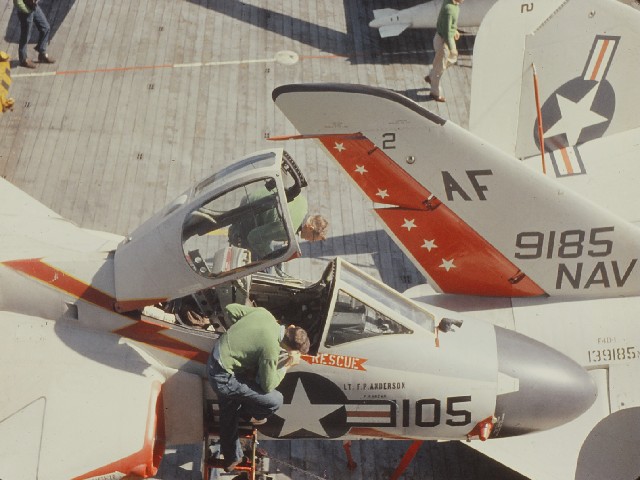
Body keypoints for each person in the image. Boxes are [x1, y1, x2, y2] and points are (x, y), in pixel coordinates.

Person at [207, 303, 310, 472]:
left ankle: (232, 457)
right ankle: (248, 414)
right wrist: (288, 365)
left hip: (216, 359)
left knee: (229, 408)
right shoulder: (270, 349)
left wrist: (241, 335)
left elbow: (230, 309)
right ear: (288, 348)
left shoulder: (264, 314)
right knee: (275, 400)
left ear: (290, 327)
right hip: (223, 378)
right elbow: (267, 385)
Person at [229, 184, 329, 259]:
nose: (310, 241)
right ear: (310, 228)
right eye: (313, 239)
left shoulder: (303, 201)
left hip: (251, 199)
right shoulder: (288, 231)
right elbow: (254, 237)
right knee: (265, 262)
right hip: (247, 216)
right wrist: (271, 256)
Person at [424, 0, 464, 102]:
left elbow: (447, 24)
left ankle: (431, 76)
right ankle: (435, 93)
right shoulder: (449, 9)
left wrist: (454, 30)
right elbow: (446, 32)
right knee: (439, 70)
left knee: (444, 62)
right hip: (444, 42)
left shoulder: (453, 5)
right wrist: (452, 48)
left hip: (443, 39)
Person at [14, 0, 55, 69]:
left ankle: (42, 53)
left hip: (33, 6)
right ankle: (23, 60)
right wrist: (26, 10)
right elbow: (17, 2)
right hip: (25, 11)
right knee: (25, 36)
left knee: (45, 28)